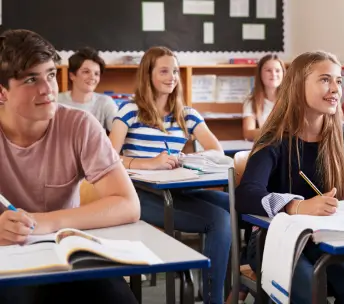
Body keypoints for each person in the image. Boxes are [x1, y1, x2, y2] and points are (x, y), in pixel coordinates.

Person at [0, 29, 140, 304]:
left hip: (66, 251)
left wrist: (45, 222)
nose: (48, 89)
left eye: (50, 75)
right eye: (31, 79)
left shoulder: (79, 125)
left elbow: (128, 204)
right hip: (7, 256)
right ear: (1, 92)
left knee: (119, 299)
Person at [109, 46, 231, 304]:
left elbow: (216, 151)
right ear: (148, 75)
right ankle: (213, 299)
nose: (172, 76)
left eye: (175, 71)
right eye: (164, 71)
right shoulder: (129, 110)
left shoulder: (187, 114)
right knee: (218, 220)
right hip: (137, 194)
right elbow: (106, 160)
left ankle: (234, 284)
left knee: (234, 206)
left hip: (176, 190)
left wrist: (187, 159)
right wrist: (148, 163)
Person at [235, 50, 344, 304]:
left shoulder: (343, 136)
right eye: (325, 79)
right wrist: (297, 206)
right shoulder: (275, 139)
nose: (335, 88)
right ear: (297, 85)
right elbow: (246, 195)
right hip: (274, 240)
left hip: (328, 237)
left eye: (338, 81)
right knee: (310, 294)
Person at [58, 47, 117, 133]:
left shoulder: (105, 102)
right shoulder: (57, 102)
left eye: (96, 73)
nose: (92, 77)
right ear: (72, 76)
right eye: (86, 72)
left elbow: (118, 134)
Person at [242, 54, 285, 141]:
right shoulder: (251, 101)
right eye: (268, 70)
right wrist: (275, 131)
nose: (273, 74)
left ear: (283, 73)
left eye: (277, 70)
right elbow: (248, 133)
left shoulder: (292, 100)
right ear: (260, 74)